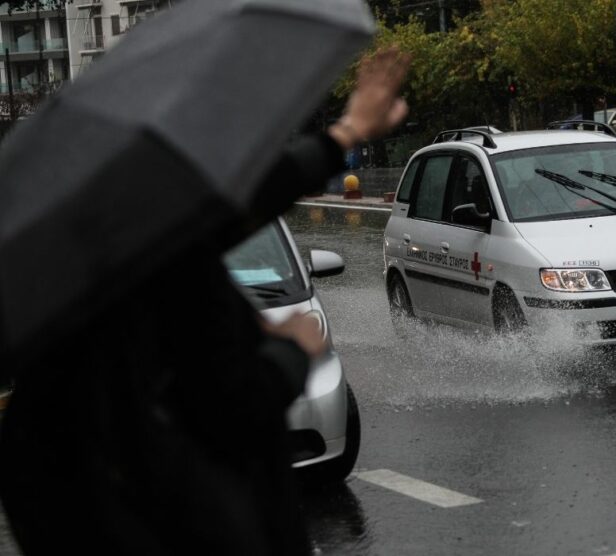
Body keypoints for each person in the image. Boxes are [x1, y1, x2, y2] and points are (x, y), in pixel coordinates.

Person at [0, 48, 409, 555]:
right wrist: (291, 352)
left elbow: (238, 203)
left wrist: (343, 136)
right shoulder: (168, 280)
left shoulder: (55, 291)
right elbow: (233, 406)